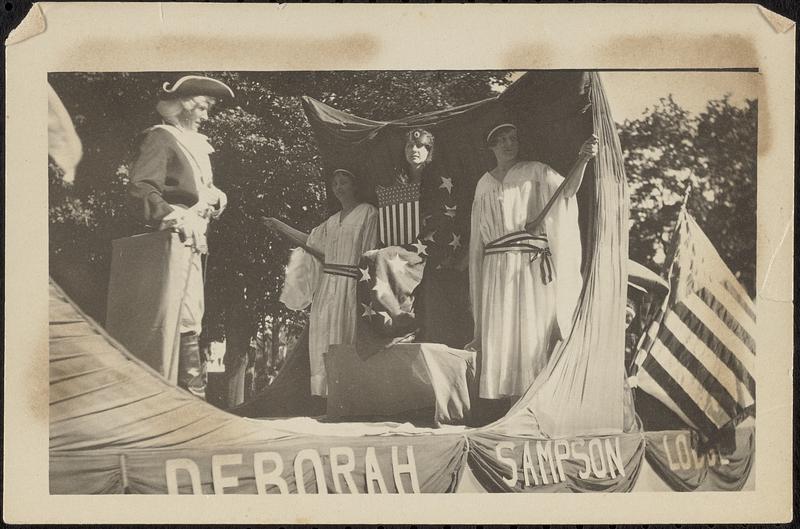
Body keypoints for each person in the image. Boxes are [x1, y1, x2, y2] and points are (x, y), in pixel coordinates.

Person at [467, 123, 598, 400]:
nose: (507, 144)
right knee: (503, 335)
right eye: (500, 140)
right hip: (496, 268)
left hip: (529, 264)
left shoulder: (536, 171)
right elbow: (478, 236)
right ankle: (509, 407)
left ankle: (532, 404)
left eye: (512, 138)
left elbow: (567, 190)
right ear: (491, 147)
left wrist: (584, 158)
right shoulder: (483, 184)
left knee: (531, 332)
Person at [128, 75, 234, 399]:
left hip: (192, 239)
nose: (206, 117)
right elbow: (141, 186)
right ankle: (187, 395)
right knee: (176, 314)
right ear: (185, 107)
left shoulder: (193, 144)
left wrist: (215, 197)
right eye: (203, 108)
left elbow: (193, 190)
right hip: (170, 238)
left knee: (192, 315)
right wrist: (171, 215)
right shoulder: (162, 137)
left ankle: (189, 395)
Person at [263, 168, 379, 397]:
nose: (338, 186)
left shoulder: (368, 213)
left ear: (355, 186)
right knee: (324, 339)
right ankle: (327, 400)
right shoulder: (331, 222)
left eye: (344, 181)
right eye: (335, 182)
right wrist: (280, 226)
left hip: (351, 286)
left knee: (345, 338)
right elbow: (312, 244)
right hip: (327, 289)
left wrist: (363, 292)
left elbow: (370, 253)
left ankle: (348, 398)